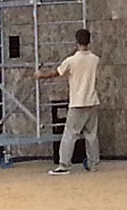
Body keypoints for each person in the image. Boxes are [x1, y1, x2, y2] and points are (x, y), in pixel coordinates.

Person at [41, 28, 103, 173]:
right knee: (91, 134)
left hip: (77, 102)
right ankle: (93, 163)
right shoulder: (95, 59)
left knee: (70, 134)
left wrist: (40, 75)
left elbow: (56, 73)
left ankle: (64, 164)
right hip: (92, 100)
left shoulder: (71, 60)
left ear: (76, 41)